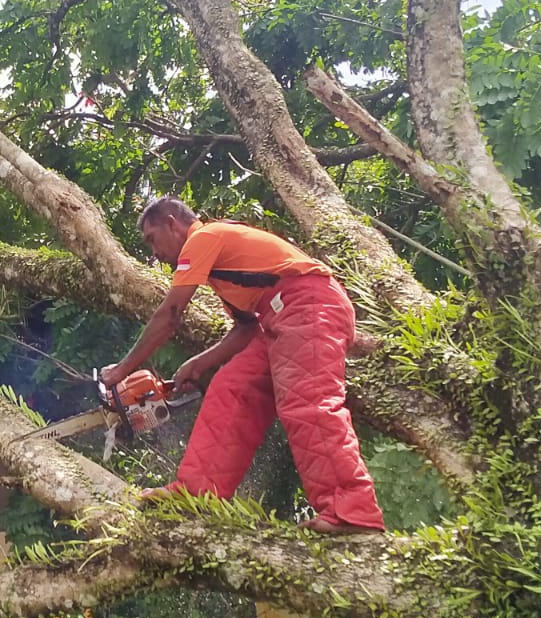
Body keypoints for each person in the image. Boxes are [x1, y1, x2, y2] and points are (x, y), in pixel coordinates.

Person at [99, 197, 385, 534]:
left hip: (308, 303)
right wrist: (199, 362)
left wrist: (121, 371)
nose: (154, 252)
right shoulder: (220, 270)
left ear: (173, 223)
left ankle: (352, 511)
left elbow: (171, 315)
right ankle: (198, 495)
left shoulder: (203, 239)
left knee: (306, 401)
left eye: (152, 238)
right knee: (231, 388)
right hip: (275, 317)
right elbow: (246, 328)